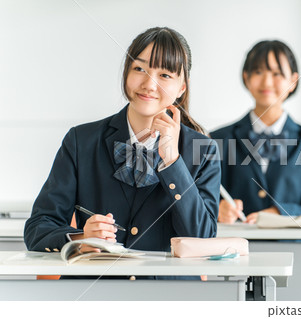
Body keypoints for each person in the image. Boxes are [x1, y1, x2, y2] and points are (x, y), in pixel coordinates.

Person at [24, 27, 220, 255]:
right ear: (126, 73)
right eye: (139, 69)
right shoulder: (80, 141)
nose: (149, 84)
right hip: (98, 285)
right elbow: (38, 228)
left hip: (170, 289)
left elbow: (203, 239)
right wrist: (81, 238)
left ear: (181, 88)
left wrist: (173, 163)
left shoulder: (202, 150)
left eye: (164, 75)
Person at [210, 40, 301, 224]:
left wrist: (280, 213)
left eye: (277, 73)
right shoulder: (217, 140)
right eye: (258, 72)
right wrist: (217, 210)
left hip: (295, 249)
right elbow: (199, 201)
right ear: (246, 78)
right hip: (235, 248)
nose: (267, 81)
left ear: (293, 81)